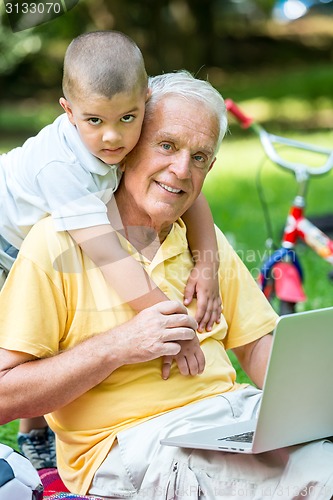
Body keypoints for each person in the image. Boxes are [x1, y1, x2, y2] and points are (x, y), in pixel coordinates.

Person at [1, 70, 333, 499]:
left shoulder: (200, 246)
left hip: (233, 419)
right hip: (136, 443)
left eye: (199, 157)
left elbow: (256, 345)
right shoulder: (57, 242)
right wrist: (119, 345)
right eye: (166, 145)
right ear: (129, 145)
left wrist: (316, 403)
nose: (180, 170)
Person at [0, 32, 221, 468]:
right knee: (21, 341)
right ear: (67, 112)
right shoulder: (62, 167)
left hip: (38, 236)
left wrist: (208, 265)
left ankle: (36, 429)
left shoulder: (124, 130)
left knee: (59, 319)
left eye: (127, 117)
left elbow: (190, 192)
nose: (112, 137)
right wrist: (174, 326)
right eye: (94, 121)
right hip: (3, 242)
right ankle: (32, 433)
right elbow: (110, 256)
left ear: (147, 100)